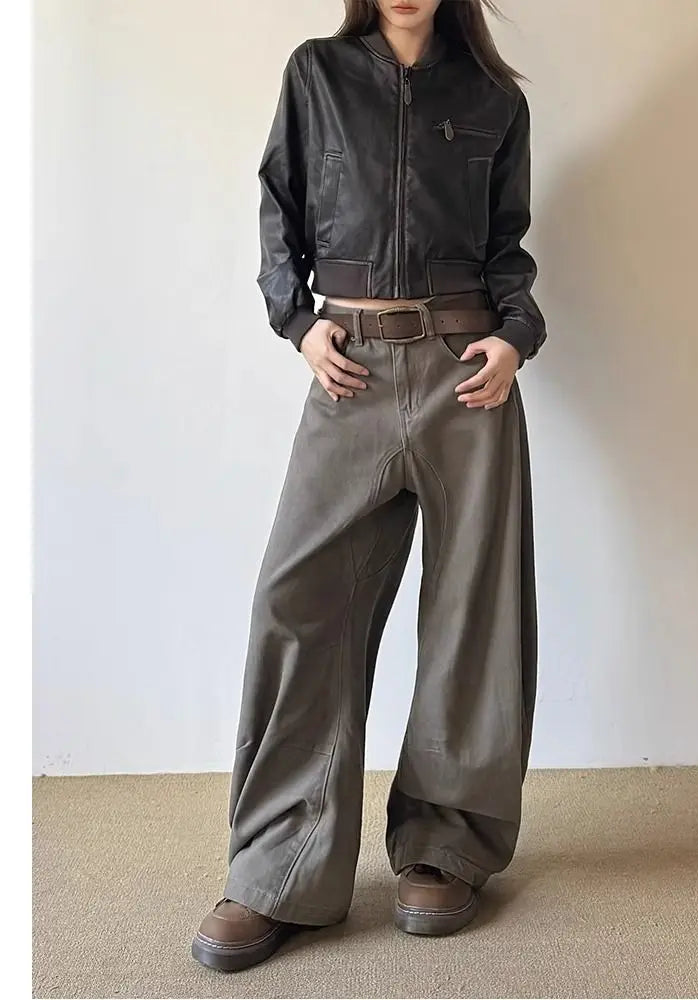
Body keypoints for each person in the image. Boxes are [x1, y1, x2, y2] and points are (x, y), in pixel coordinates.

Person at [192, 0, 547, 972]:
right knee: (299, 599)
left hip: (466, 374)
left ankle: (447, 845)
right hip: (348, 371)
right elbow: (279, 206)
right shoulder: (317, 73)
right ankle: (279, 867)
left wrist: (516, 338)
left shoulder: (492, 98)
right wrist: (296, 321)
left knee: (474, 611)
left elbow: (508, 250)